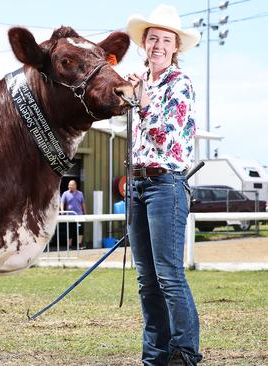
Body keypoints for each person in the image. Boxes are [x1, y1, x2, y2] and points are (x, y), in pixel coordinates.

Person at [125, 4, 202, 366]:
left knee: (169, 276)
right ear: (144, 43)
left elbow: (166, 136)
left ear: (175, 48)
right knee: (147, 281)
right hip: (139, 188)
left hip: (165, 185)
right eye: (152, 38)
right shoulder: (143, 83)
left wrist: (141, 105)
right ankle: (154, 356)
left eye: (165, 40)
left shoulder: (179, 84)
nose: (157, 45)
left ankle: (184, 353)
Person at [60, 180, 87, 249]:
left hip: (79, 215)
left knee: (80, 230)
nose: (69, 186)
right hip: (70, 216)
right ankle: (69, 246)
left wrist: (85, 212)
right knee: (70, 231)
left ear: (75, 186)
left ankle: (79, 245)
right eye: (69, 185)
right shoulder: (65, 193)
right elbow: (62, 203)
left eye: (71, 185)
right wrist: (62, 211)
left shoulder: (80, 194)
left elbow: (83, 203)